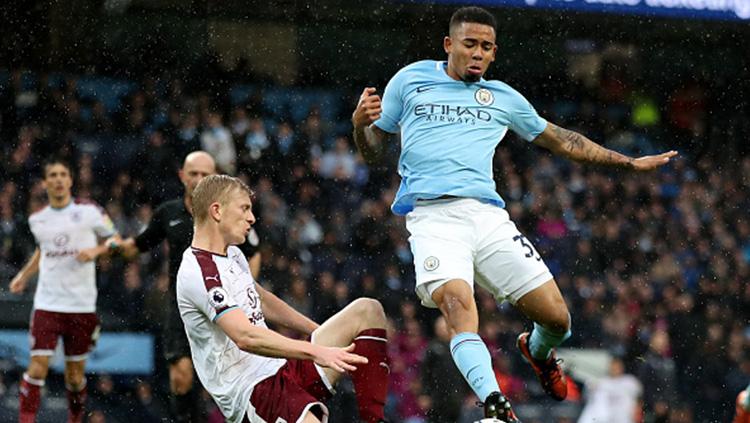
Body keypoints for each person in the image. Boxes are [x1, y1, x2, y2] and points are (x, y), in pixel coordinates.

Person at [351, 6, 677, 421]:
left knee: (558, 319)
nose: (478, 54)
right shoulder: (410, 80)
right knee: (457, 304)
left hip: (488, 218)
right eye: (469, 44)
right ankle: (496, 404)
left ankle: (537, 351)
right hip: (433, 218)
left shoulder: (502, 97)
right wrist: (361, 126)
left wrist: (627, 163)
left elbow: (563, 140)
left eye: (486, 47)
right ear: (449, 45)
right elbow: (375, 152)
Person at [176, 174, 390, 422]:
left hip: (281, 368)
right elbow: (246, 337)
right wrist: (316, 351)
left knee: (367, 310)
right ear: (216, 210)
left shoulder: (232, 254)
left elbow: (262, 299)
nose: (251, 218)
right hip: (253, 391)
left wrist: (323, 332)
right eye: (244, 208)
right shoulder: (199, 273)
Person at [109, 150, 261, 422]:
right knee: (181, 377)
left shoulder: (228, 214)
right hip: (183, 305)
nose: (199, 179)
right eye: (193, 174)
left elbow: (253, 251)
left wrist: (247, 290)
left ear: (215, 177)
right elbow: (138, 246)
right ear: (182, 176)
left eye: (206, 174)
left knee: (227, 375)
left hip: (222, 302)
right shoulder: (168, 213)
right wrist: (114, 248)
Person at [9, 157, 119, 423]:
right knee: (37, 368)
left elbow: (116, 240)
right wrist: (23, 275)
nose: (58, 179)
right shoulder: (38, 219)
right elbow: (43, 250)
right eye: (53, 175)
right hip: (47, 304)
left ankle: (75, 417)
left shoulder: (90, 211)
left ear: (70, 180)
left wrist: (96, 250)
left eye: (63, 174)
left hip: (81, 306)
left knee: (75, 376)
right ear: (46, 183)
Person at [577, 356, 642, 423]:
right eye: (613, 367)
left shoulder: (630, 381)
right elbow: (588, 398)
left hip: (624, 418)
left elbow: (639, 399)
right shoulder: (601, 382)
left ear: (622, 367)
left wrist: (636, 412)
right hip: (604, 419)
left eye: (617, 367)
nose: (615, 369)